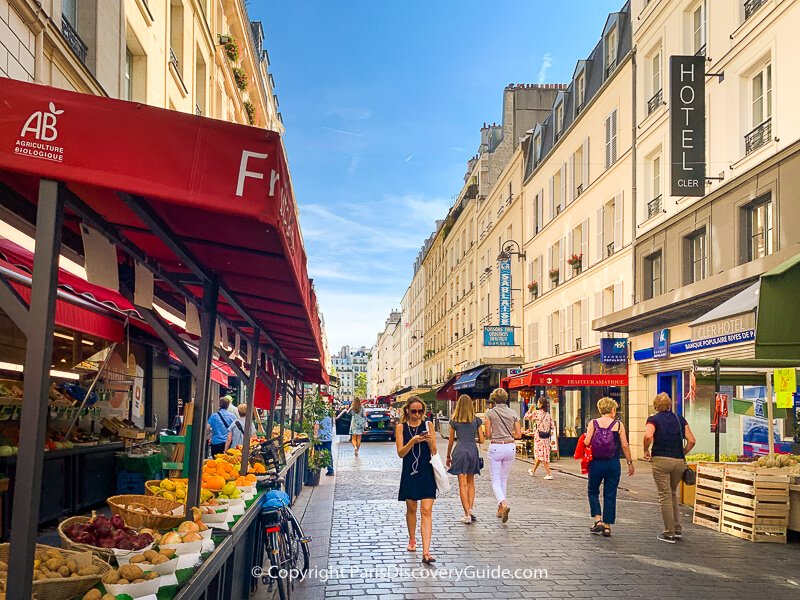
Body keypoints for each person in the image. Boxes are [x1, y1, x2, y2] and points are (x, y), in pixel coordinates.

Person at [643, 392, 696, 543]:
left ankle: (669, 532)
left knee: (665, 495)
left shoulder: (653, 419)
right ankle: (677, 529)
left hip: (661, 460)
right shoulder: (680, 419)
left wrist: (645, 449)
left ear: (656, 405)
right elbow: (692, 440)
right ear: (669, 405)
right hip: (678, 462)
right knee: (672, 493)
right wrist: (682, 452)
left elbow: (648, 436)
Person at [583, 397, 634, 537]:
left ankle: (598, 519)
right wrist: (630, 463)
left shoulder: (593, 423)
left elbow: (587, 442)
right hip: (613, 463)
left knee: (593, 491)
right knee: (610, 493)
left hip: (596, 463)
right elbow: (625, 445)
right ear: (612, 410)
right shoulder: (618, 425)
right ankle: (607, 526)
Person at [396, 396, 437, 564]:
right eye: (414, 411)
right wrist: (412, 441)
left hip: (427, 471)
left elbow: (434, 451)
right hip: (410, 473)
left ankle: (426, 552)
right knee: (411, 509)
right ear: (407, 410)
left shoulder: (428, 425)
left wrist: (429, 441)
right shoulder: (401, 427)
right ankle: (412, 539)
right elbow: (401, 453)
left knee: (426, 511)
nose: (417, 414)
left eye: (420, 411)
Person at [484, 387, 521, 523]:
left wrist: (496, 433)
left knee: (495, 480)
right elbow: (519, 434)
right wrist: (508, 434)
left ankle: (503, 504)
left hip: (496, 447)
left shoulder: (490, 413)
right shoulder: (513, 413)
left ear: (494, 399)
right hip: (510, 446)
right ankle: (500, 509)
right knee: (504, 478)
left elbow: (488, 434)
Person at [446, 394, 484, 524]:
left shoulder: (454, 421)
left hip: (460, 450)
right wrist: (472, 440)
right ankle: (471, 509)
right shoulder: (477, 421)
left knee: (462, 484)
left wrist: (448, 455)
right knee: (471, 482)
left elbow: (451, 440)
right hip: (473, 450)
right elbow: (482, 440)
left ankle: (466, 513)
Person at [526, 398, 554, 480]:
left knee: (541, 455)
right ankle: (533, 470)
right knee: (541, 454)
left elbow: (526, 416)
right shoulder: (548, 415)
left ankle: (549, 473)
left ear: (541, 404)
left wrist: (530, 409)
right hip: (546, 438)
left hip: (539, 437)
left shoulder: (537, 413)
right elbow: (552, 426)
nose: (537, 404)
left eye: (538, 403)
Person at [314, 407, 335, 476]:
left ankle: (316, 469)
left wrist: (315, 436)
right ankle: (330, 470)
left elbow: (316, 426)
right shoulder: (329, 414)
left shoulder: (318, 415)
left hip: (320, 438)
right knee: (328, 454)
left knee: (317, 453)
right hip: (328, 438)